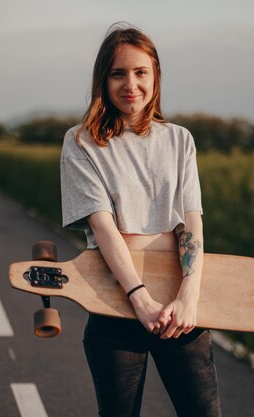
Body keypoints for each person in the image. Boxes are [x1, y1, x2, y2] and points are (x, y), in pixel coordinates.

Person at [60, 23, 221, 417]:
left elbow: (191, 223)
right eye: (118, 73)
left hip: (179, 303)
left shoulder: (179, 140)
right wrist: (140, 298)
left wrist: (188, 296)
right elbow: (104, 227)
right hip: (116, 300)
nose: (130, 84)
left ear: (155, 77)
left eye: (140, 72)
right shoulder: (82, 142)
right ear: (103, 79)